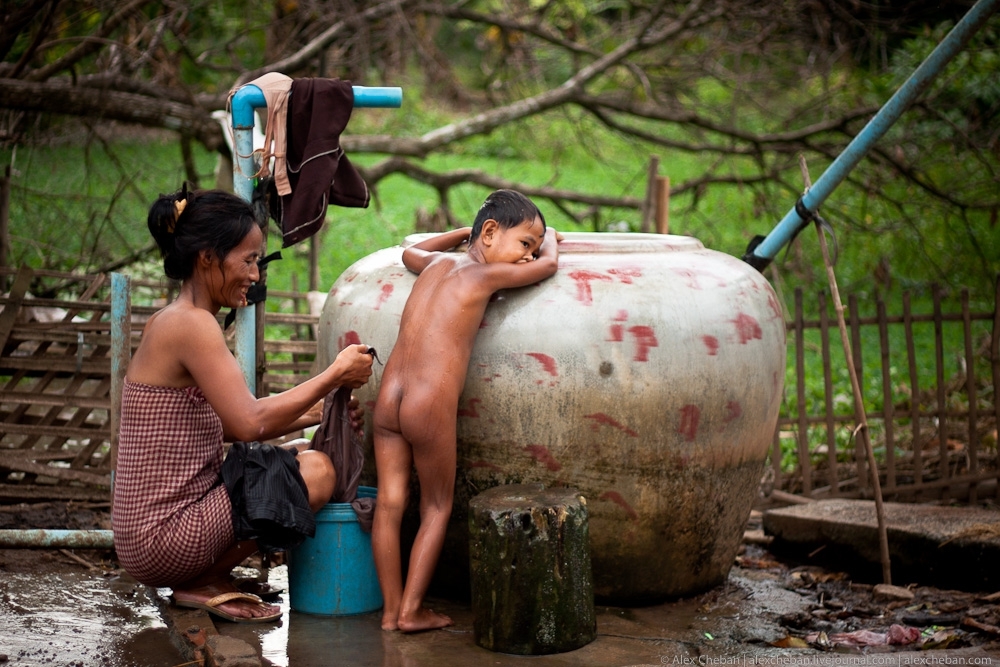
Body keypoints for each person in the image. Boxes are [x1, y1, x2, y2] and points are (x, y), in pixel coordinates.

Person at [111, 187, 374, 623]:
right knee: (318, 471)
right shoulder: (191, 325)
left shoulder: (177, 319)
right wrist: (333, 375)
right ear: (208, 258)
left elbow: (225, 425)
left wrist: (320, 411)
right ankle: (202, 580)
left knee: (306, 456)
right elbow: (249, 422)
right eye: (248, 260)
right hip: (161, 538)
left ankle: (205, 575)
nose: (255, 274)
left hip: (151, 534)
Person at [372, 189, 560, 632]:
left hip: (389, 397)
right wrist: (552, 238)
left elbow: (408, 252)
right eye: (525, 243)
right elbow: (550, 267)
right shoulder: (484, 277)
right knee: (437, 505)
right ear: (491, 233)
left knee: (389, 504)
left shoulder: (438, 264)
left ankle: (388, 612)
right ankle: (411, 611)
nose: (528, 256)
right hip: (427, 402)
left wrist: (462, 233)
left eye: (532, 245)